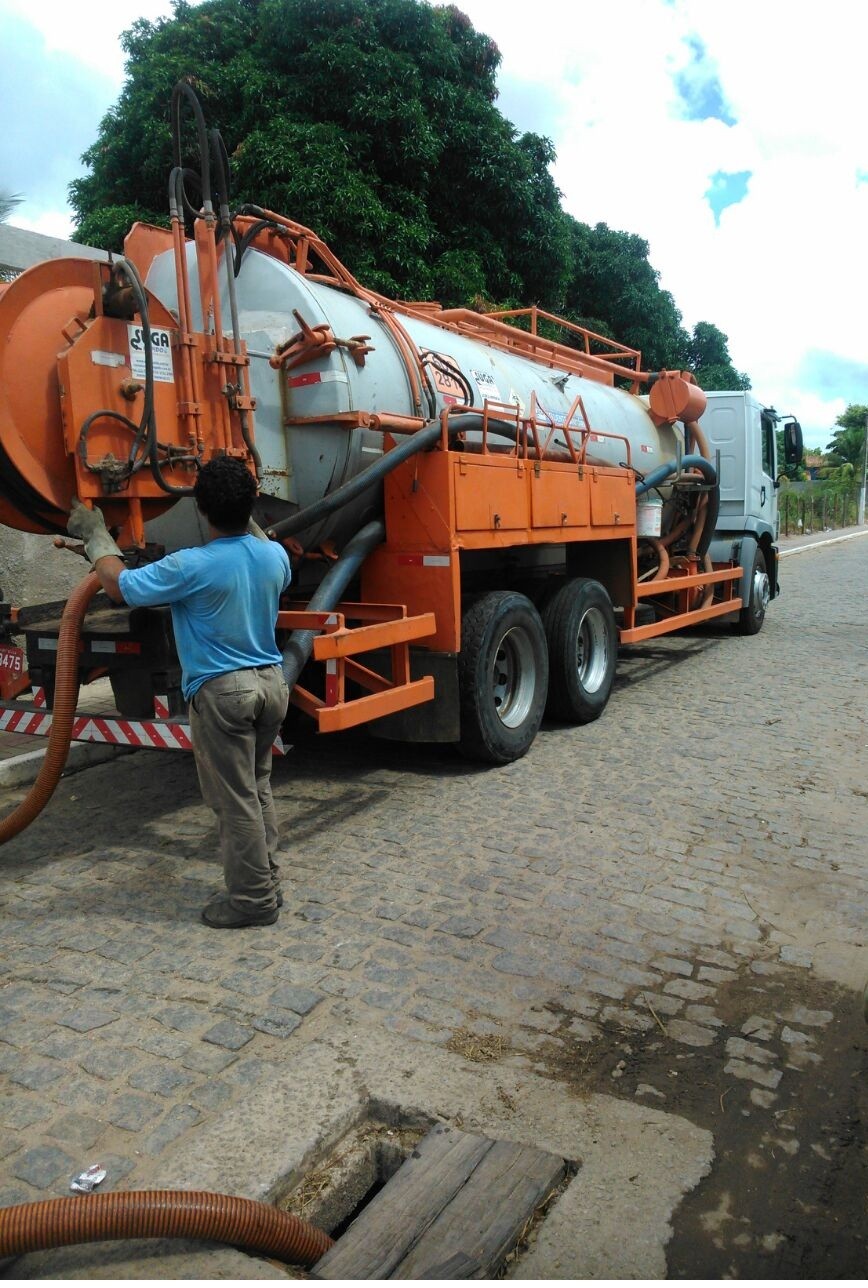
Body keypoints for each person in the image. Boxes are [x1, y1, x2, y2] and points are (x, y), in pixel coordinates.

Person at [68, 458, 292, 929]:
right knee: (258, 788)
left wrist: (95, 536)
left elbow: (118, 586)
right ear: (251, 505)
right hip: (272, 684)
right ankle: (266, 879)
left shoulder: (192, 566)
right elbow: (252, 536)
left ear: (202, 511)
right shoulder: (274, 557)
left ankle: (253, 900)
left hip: (224, 693)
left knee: (235, 800)